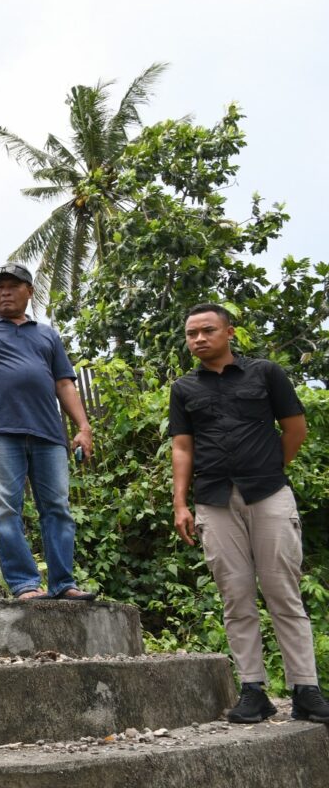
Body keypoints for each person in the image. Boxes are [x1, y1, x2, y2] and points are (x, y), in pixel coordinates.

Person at [170, 302, 329, 724]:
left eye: (207, 330)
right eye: (191, 333)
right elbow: (182, 447)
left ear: (230, 333)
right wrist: (180, 503)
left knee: (283, 592)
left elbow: (295, 429)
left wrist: (269, 468)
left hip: (268, 494)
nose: (199, 339)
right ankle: (253, 690)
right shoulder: (184, 388)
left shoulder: (266, 373)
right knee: (236, 596)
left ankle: (306, 689)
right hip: (214, 501)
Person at [0, 263, 94, 601]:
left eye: (13, 286)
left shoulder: (47, 334)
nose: (5, 292)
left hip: (48, 434)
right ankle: (25, 584)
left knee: (57, 507)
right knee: (5, 509)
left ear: (29, 292)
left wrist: (83, 427)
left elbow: (64, 383)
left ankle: (63, 583)